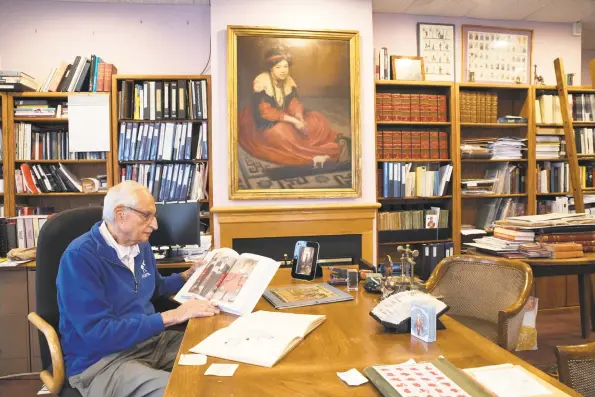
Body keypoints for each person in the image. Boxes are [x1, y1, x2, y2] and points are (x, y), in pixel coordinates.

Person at [56, 181, 220, 397]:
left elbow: (154, 287)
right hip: (102, 362)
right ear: (120, 214)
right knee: (183, 390)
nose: (155, 225)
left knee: (220, 356)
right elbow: (99, 333)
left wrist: (184, 276)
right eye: (146, 216)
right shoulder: (79, 258)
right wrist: (172, 316)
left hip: (150, 343)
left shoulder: (139, 246)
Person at [238, 46, 341, 166]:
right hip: (266, 122)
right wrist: (293, 120)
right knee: (281, 133)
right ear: (271, 69)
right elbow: (266, 112)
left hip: (286, 115)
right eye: (278, 67)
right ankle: (307, 150)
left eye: (285, 66)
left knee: (317, 120)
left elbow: (293, 102)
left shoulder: (288, 81)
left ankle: (304, 142)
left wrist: (299, 116)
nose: (283, 70)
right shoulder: (262, 83)